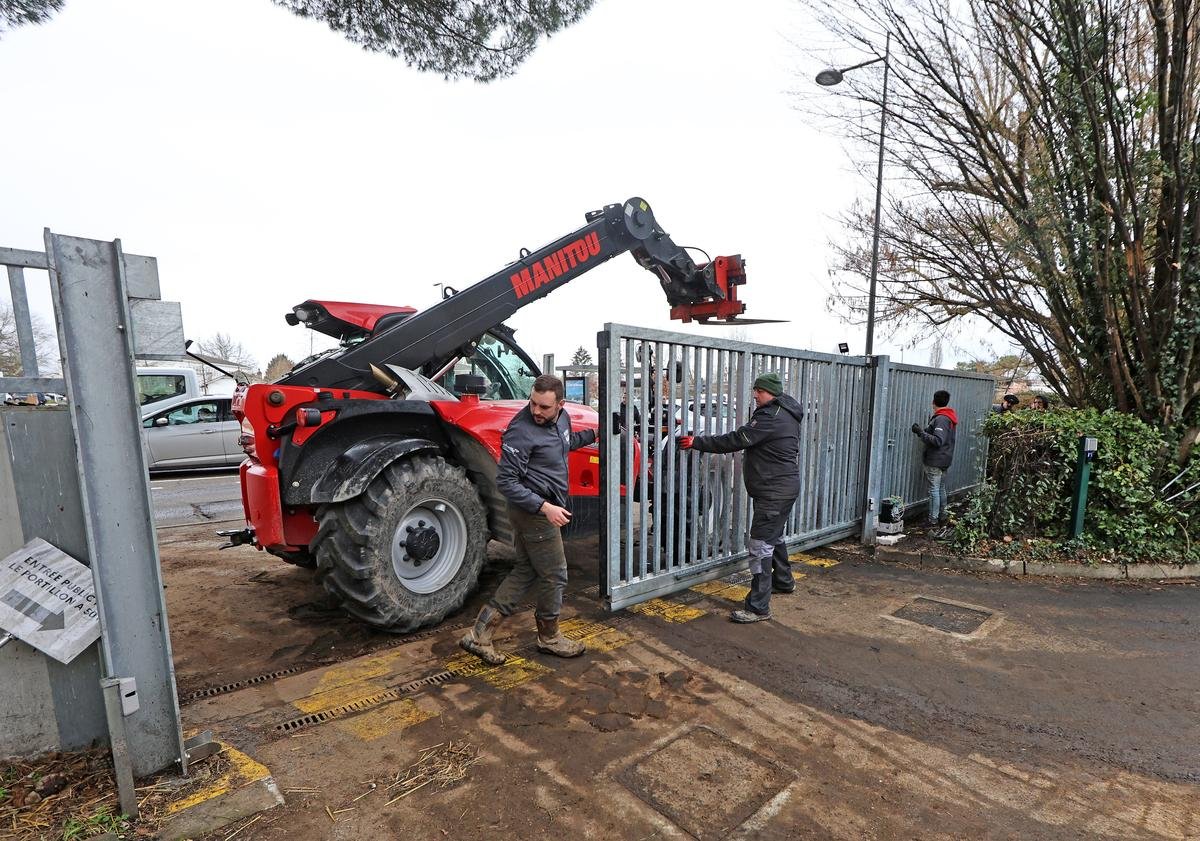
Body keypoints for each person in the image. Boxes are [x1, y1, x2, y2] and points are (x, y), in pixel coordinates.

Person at [460, 374, 598, 665]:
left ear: (560, 404)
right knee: (555, 574)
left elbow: (564, 442)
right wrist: (544, 507)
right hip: (533, 511)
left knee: (526, 569)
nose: (535, 410)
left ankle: (479, 635)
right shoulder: (521, 431)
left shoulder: (561, 420)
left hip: (542, 507)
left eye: (543, 406)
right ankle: (549, 638)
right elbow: (506, 482)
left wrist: (596, 434)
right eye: (533, 403)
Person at [680, 372, 803, 623]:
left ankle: (758, 607)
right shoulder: (787, 412)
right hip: (781, 488)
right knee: (774, 537)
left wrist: (697, 442)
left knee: (759, 546)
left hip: (773, 491)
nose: (755, 395)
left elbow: (737, 439)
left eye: (759, 390)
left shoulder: (771, 416)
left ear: (771, 392)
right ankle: (784, 581)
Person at [911, 389, 958, 527]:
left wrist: (920, 432)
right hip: (945, 459)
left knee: (934, 490)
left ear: (933, 402)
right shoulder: (948, 416)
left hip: (936, 460)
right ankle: (943, 516)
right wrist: (925, 431)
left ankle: (933, 520)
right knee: (941, 488)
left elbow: (938, 440)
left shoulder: (941, 418)